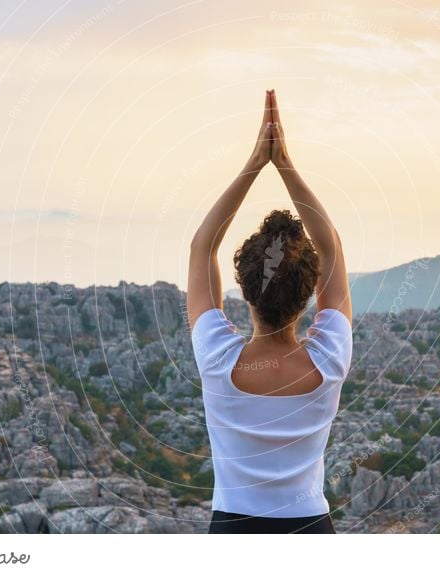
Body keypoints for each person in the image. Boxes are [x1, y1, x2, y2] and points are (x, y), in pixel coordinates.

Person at [187, 89, 353, 534]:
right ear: (307, 296)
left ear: (245, 290)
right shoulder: (329, 360)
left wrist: (255, 162)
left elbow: (203, 247)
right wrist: (285, 165)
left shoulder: (218, 360)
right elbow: (330, 245)